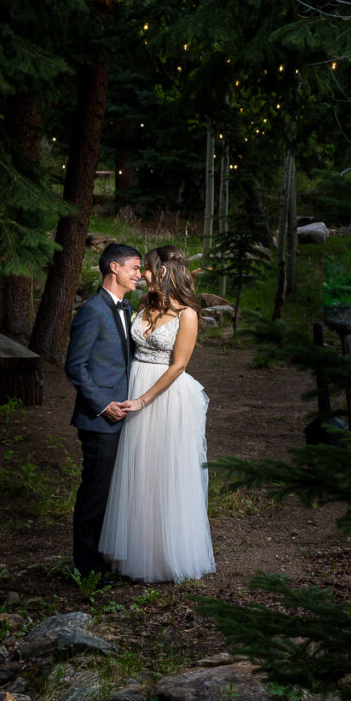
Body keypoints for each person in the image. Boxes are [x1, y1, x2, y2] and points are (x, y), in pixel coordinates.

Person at [99, 245, 214, 583]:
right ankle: (133, 548)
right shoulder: (145, 304)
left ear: (161, 271)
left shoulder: (187, 314)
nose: (141, 274)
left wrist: (143, 400)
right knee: (136, 470)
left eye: (146, 268)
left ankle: (163, 556)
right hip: (134, 384)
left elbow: (178, 365)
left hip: (162, 396)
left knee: (162, 471)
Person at [65, 243, 142, 582]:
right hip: (100, 420)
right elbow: (75, 366)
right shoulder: (92, 311)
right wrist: (102, 405)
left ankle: (101, 556)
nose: (139, 275)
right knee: (95, 492)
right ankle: (86, 567)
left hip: (123, 416)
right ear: (114, 268)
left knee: (111, 491)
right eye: (134, 268)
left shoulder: (125, 308)